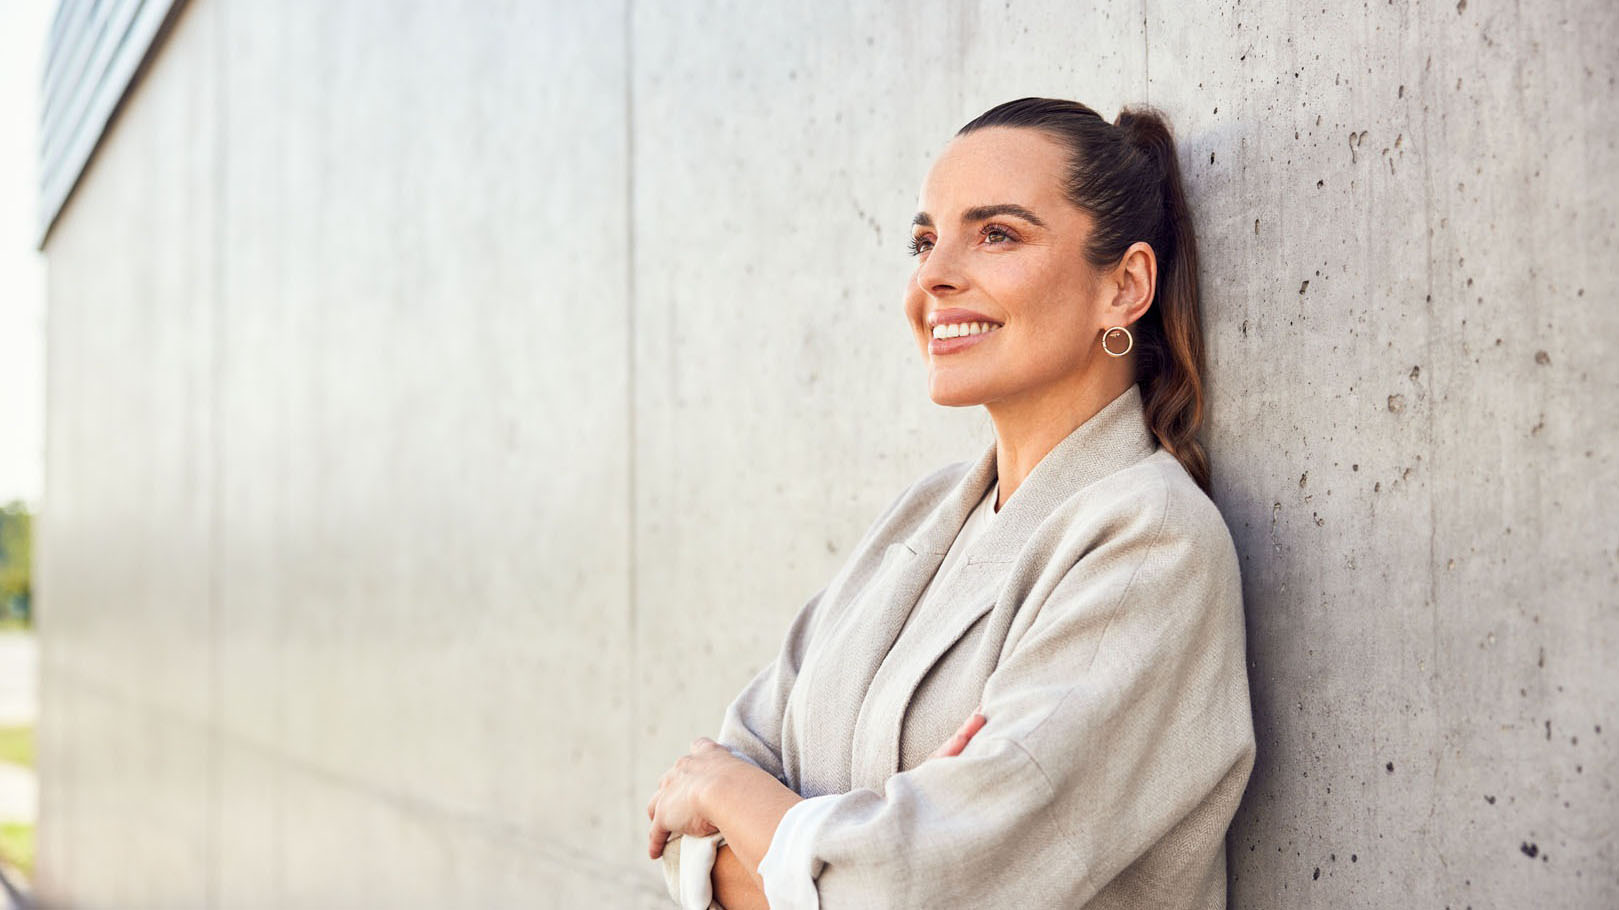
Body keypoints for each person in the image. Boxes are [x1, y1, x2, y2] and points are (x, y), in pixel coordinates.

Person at [644, 96, 1256, 909]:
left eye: (996, 233)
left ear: (1124, 286)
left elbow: (929, 889)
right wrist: (841, 843)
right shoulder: (922, 518)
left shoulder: (1151, 546)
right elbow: (684, 826)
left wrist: (738, 800)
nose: (931, 276)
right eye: (924, 240)